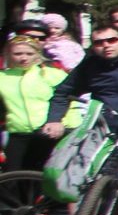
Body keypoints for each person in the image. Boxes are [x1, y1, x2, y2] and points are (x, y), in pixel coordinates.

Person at [43, 24, 118, 135]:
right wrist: (54, 120)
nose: (106, 45)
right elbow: (62, 93)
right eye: (99, 43)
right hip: (105, 128)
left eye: (112, 40)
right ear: (93, 47)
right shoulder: (89, 66)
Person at [2, 35, 69, 172]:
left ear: (37, 55)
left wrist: (63, 124)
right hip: (18, 134)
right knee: (12, 181)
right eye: (18, 54)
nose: (23, 58)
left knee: (48, 179)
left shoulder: (52, 74)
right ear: (8, 54)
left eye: (29, 53)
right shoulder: (2, 77)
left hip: (50, 133)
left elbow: (71, 101)